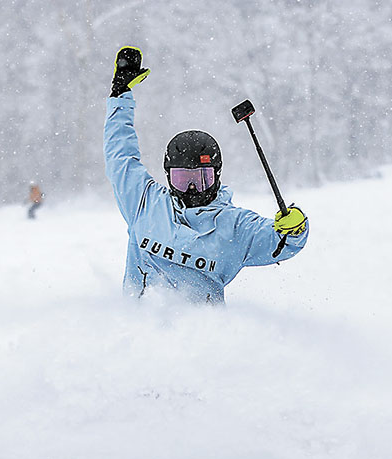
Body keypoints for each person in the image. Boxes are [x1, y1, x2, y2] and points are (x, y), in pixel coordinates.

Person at [104, 46, 309, 304]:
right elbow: (119, 154)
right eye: (182, 179)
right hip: (138, 326)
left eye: (202, 179)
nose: (191, 189)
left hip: (201, 329)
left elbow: (281, 242)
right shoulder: (145, 203)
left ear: (217, 174)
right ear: (168, 176)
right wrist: (120, 94)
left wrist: (296, 229)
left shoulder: (235, 227)